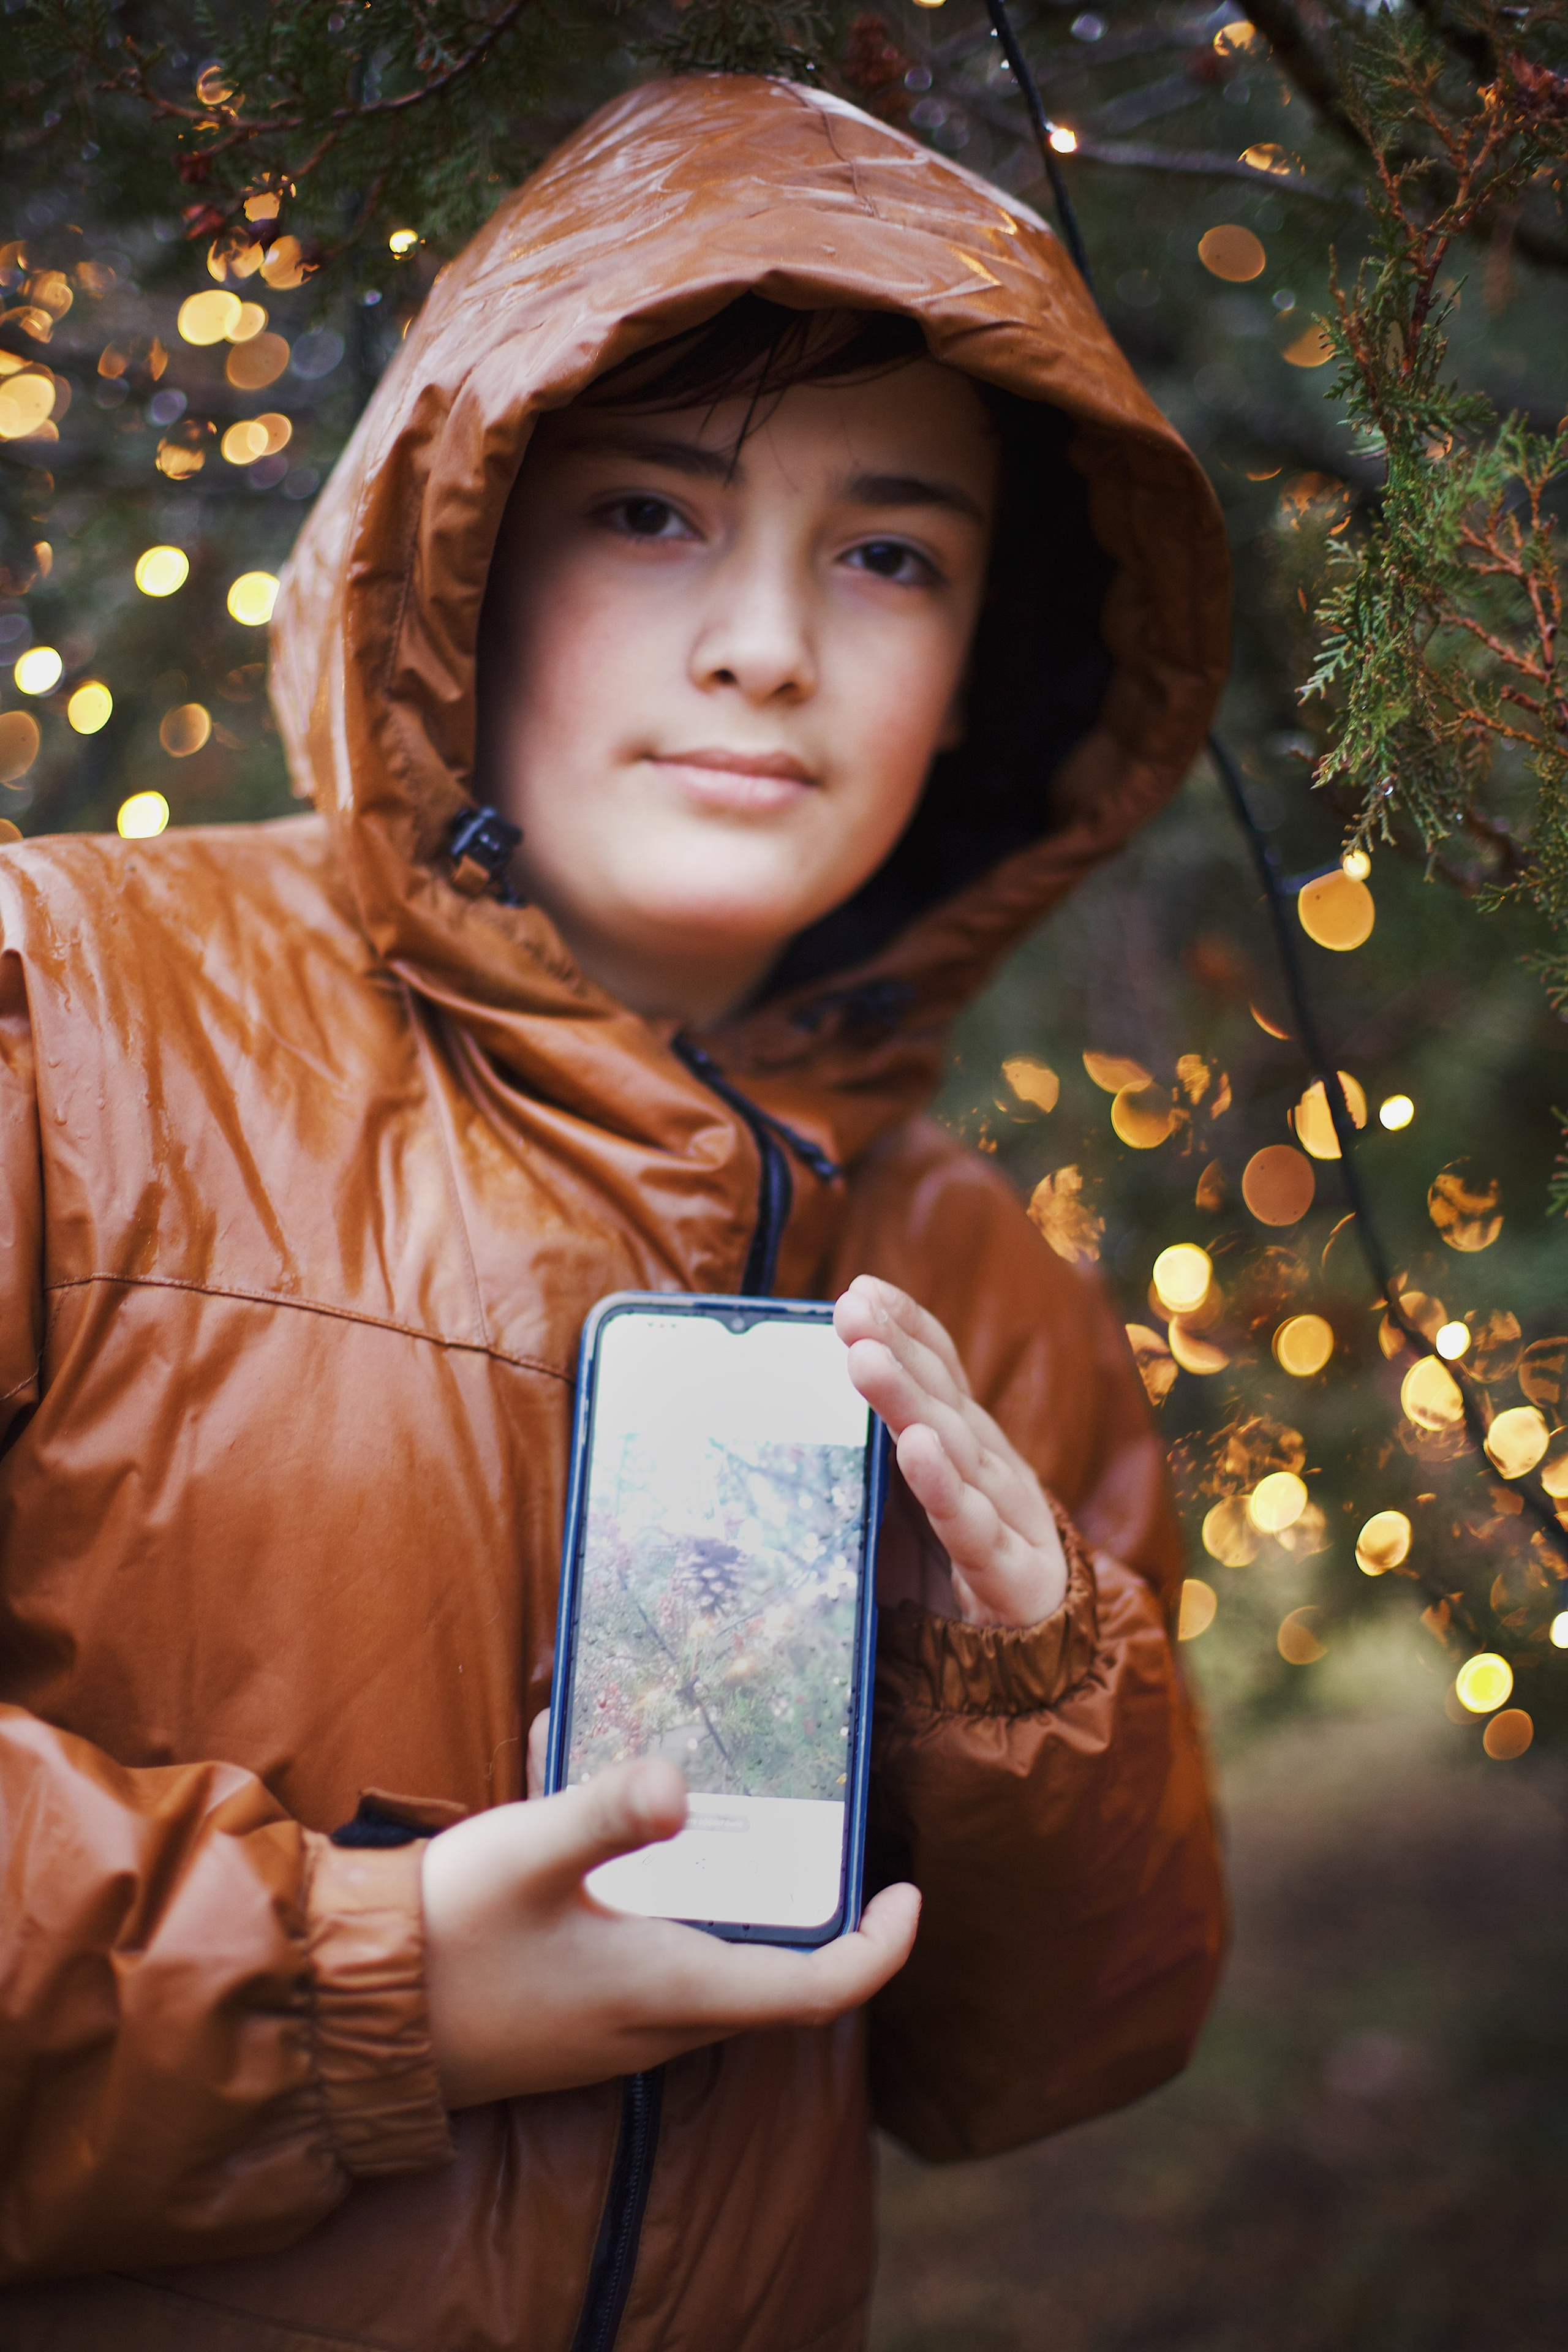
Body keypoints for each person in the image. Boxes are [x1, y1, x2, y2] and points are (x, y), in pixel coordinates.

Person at [0, 70, 1229, 2352]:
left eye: (889, 554)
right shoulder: (60, 1014)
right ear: (466, 558)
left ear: (985, 667)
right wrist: (365, 1985)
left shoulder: (978, 1281)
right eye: (654, 512)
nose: (768, 643)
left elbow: (1043, 2065)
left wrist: (1031, 1685)